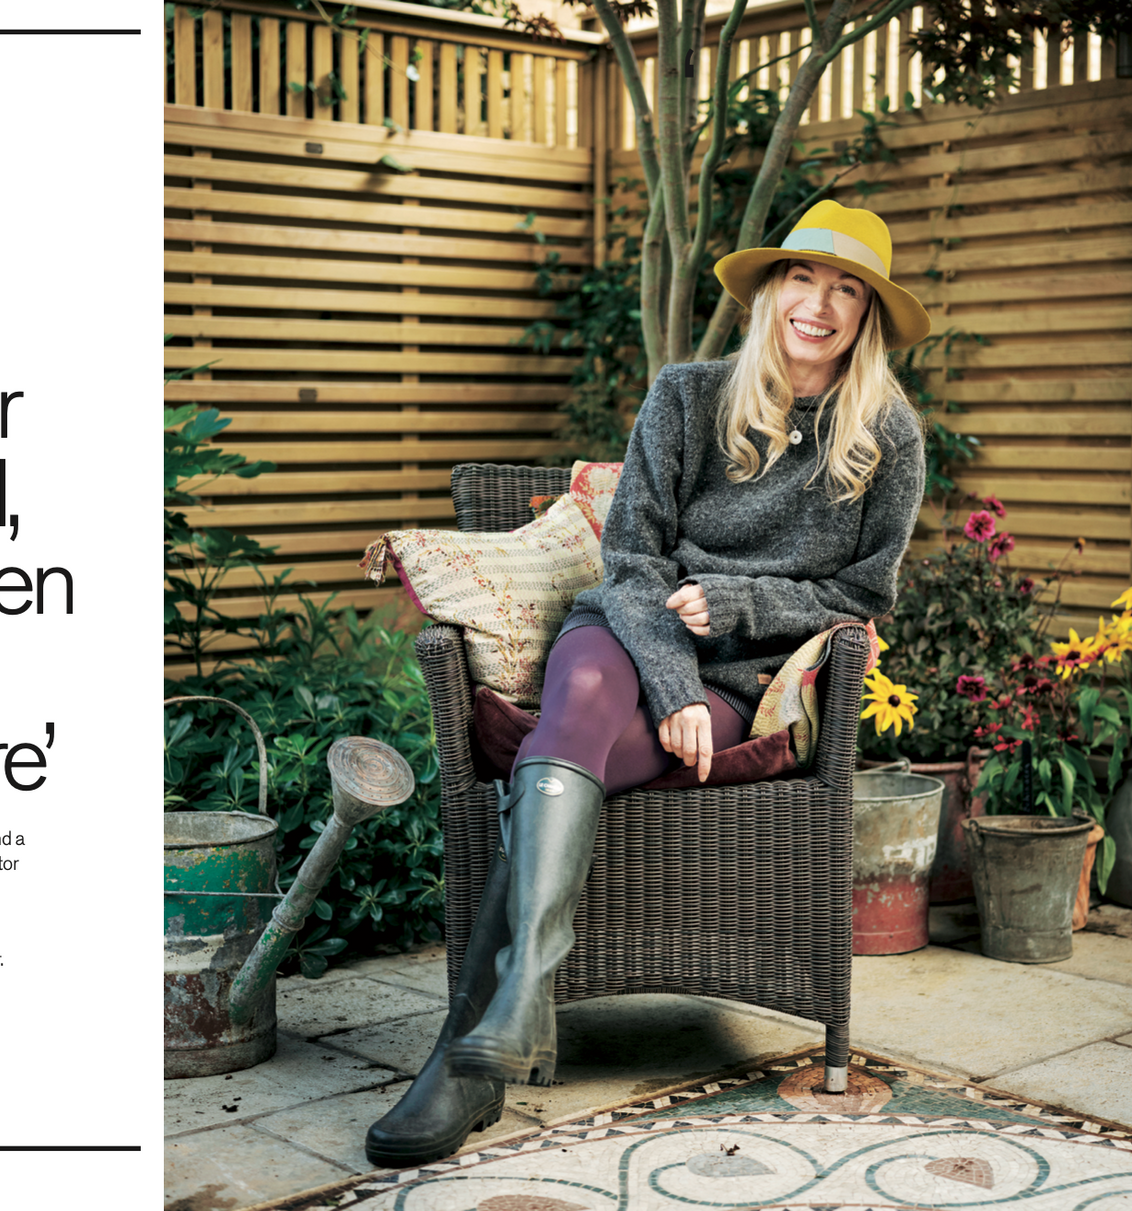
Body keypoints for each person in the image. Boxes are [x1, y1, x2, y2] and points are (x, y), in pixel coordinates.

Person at [365, 200, 930, 1167]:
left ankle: (466, 1061)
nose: (820, 304)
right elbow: (629, 559)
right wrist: (668, 683)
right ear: (771, 291)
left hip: (738, 678)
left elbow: (861, 594)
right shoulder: (688, 395)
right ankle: (524, 993)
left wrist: (743, 605)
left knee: (556, 753)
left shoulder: (887, 438)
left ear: (868, 317)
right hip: (622, 637)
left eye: (848, 290)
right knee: (579, 697)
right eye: (804, 278)